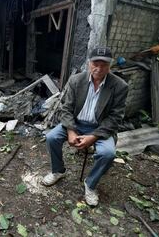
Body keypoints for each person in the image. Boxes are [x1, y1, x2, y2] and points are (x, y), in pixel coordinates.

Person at [41, 47, 128, 206]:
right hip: (76, 124)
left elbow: (116, 118)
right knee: (51, 137)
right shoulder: (76, 80)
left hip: (100, 128)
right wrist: (71, 131)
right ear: (89, 63)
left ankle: (91, 184)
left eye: (104, 65)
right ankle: (58, 171)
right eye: (95, 63)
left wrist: (93, 137)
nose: (99, 68)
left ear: (110, 66)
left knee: (108, 154)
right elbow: (65, 109)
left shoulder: (119, 86)